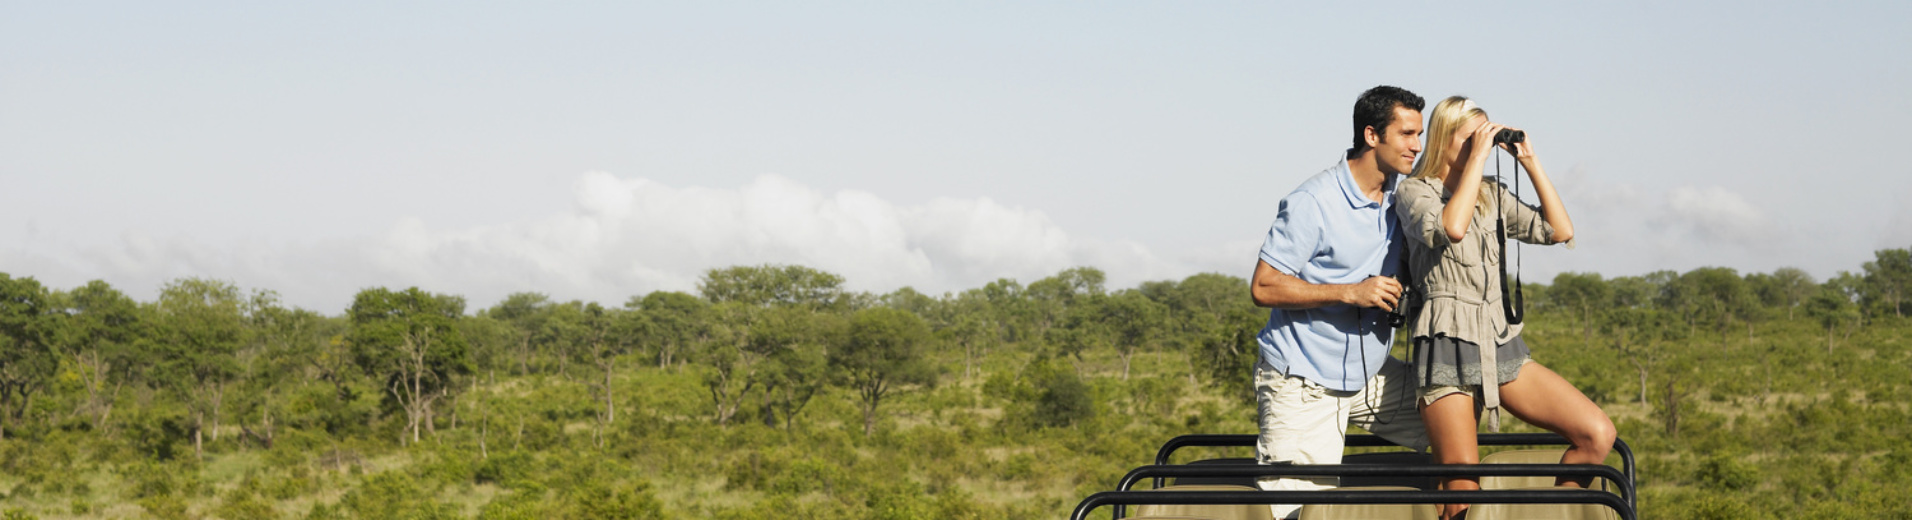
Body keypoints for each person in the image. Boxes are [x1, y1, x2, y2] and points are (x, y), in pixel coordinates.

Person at [1393, 96, 1616, 520]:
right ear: (1443, 140)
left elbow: (1559, 229)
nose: (1485, 144)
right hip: (1445, 343)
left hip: (1498, 341)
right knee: (1461, 492)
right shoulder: (1414, 191)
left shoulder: (1492, 194)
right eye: (1472, 137)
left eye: (1486, 135)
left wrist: (1530, 162)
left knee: (1596, 433)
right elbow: (1451, 228)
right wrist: (1478, 159)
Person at [1248, 85, 1430, 520]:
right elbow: (1263, 287)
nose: (1416, 146)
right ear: (1372, 136)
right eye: (1406, 134)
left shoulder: (1401, 197)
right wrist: (1350, 291)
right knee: (1297, 513)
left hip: (1370, 376)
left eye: (1419, 134)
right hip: (1304, 381)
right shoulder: (1314, 201)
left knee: (1454, 417)